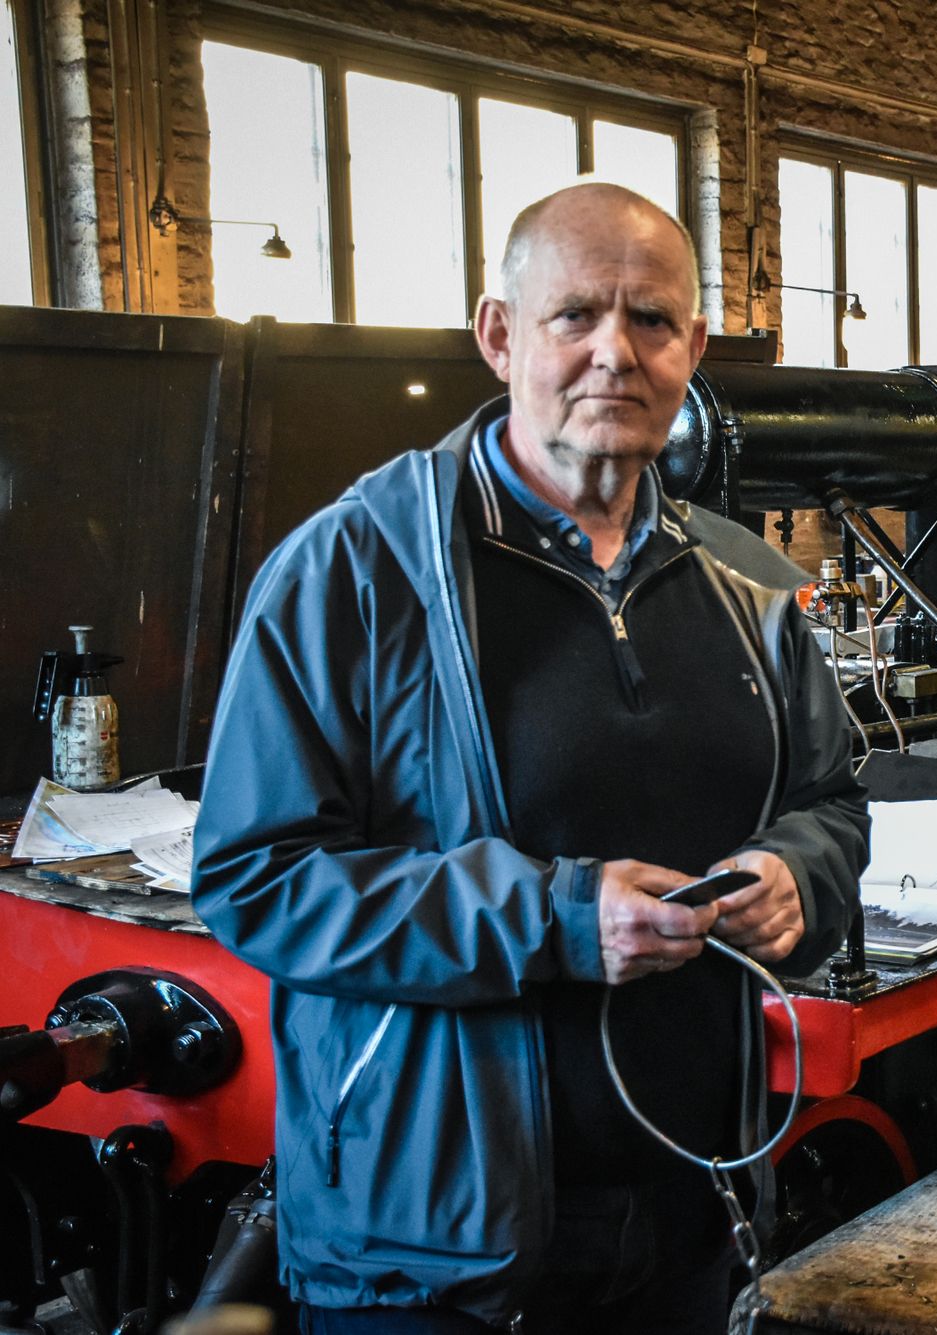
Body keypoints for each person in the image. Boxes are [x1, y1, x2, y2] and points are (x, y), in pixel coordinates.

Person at [192, 182, 868, 1334]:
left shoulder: (746, 585)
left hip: (691, 1214)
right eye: (575, 315)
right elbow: (257, 878)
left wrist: (802, 873)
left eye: (651, 320)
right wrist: (550, 919)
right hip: (434, 1250)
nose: (616, 352)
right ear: (500, 335)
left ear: (694, 348)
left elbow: (831, 800)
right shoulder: (357, 571)